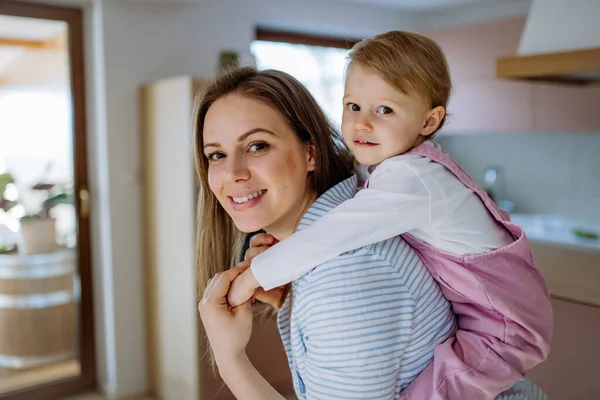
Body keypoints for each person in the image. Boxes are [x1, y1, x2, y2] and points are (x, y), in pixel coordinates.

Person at [227, 31, 553, 399]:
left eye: (384, 110)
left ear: (429, 122)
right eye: (353, 106)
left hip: (503, 328)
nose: (362, 124)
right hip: (489, 315)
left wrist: (254, 275)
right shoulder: (391, 167)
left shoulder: (413, 177)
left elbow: (335, 231)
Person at [196, 66, 457, 399]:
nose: (232, 173)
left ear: (311, 153)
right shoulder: (323, 256)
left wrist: (230, 359)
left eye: (258, 146)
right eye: (216, 155)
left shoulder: (342, 275)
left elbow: (345, 293)